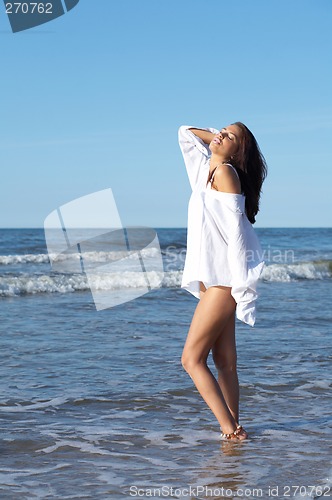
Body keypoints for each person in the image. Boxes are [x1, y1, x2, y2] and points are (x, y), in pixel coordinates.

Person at [178, 123, 267, 441]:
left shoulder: (226, 173)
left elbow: (236, 234)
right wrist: (219, 136)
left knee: (191, 359)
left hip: (224, 282)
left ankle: (231, 430)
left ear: (238, 152)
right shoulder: (206, 169)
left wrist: (242, 285)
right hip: (214, 281)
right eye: (222, 130)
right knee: (225, 361)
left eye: (231, 137)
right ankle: (235, 429)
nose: (220, 136)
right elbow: (184, 132)